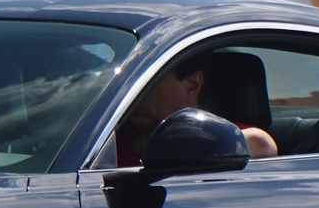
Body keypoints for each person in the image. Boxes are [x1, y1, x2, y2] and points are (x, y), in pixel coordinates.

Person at [111, 46, 279, 164]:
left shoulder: (229, 136)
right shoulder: (105, 147)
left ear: (192, 85)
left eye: (148, 81)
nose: (134, 92)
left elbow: (262, 144)